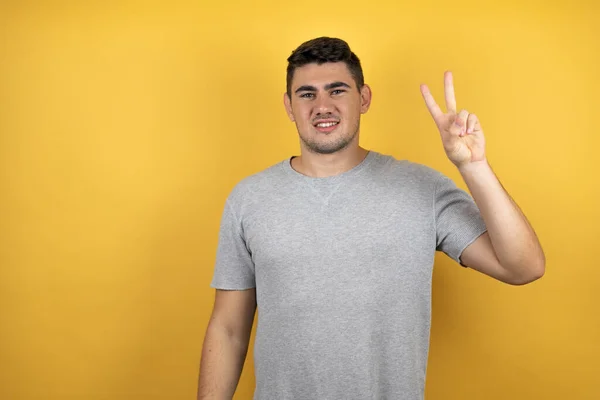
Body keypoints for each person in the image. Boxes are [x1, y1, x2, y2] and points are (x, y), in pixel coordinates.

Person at [197, 37, 545, 400]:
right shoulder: (249, 198)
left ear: (363, 98)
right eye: (306, 94)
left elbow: (523, 267)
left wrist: (474, 167)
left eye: (337, 90)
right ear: (289, 106)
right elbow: (228, 329)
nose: (323, 106)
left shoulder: (422, 189)